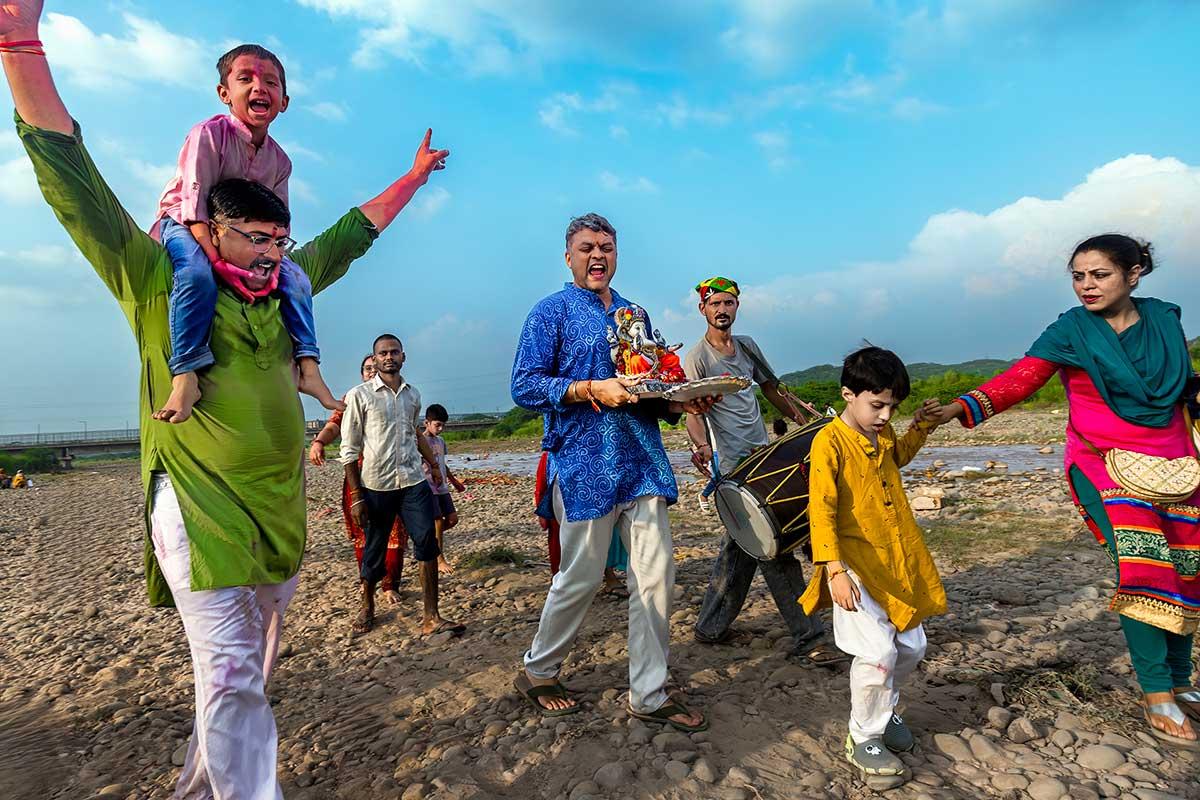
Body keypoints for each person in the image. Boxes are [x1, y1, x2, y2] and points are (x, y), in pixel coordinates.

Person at [0, 3, 451, 794]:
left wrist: (412, 179)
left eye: (281, 241)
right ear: (208, 228)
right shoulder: (160, 279)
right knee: (234, 673)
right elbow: (73, 181)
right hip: (199, 507)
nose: (273, 254)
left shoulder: (281, 288)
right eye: (256, 238)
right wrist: (19, 42)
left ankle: (198, 789)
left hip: (276, 516)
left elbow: (349, 235)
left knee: (243, 680)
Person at [930, 234, 1200, 749]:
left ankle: (1182, 682)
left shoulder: (1165, 319)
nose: (1087, 285)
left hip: (1178, 461)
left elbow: (1181, 385)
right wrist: (960, 407)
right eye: (1078, 276)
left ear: (1134, 273)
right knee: (1143, 566)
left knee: (1187, 568)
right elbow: (1023, 378)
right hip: (1103, 462)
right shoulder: (1071, 329)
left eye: (1099, 274)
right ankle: (1156, 692)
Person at [510, 212, 718, 731]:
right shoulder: (549, 313)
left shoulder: (636, 317)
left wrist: (683, 404)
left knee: (656, 579)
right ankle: (538, 670)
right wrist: (587, 388)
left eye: (606, 246)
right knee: (579, 579)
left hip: (643, 462)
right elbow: (524, 386)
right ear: (569, 256)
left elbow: (649, 392)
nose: (597, 255)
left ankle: (648, 693)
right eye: (586, 248)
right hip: (583, 467)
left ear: (617, 254)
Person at [150, 43, 341, 424]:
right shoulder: (208, 134)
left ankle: (309, 368)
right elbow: (194, 206)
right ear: (225, 93)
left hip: (250, 240)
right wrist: (220, 261)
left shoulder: (280, 161)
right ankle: (185, 372)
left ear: (283, 101)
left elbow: (280, 223)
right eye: (246, 79)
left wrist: (271, 256)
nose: (259, 87)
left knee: (297, 280)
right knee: (195, 274)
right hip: (189, 223)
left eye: (270, 82)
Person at [798, 347, 947, 782]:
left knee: (913, 647)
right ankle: (863, 735)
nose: (884, 415)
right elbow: (820, 508)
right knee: (878, 652)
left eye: (892, 407)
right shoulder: (829, 442)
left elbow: (897, 456)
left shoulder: (880, 436)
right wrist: (834, 570)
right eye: (876, 405)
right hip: (855, 566)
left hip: (897, 560)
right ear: (849, 394)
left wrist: (919, 426)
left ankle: (885, 710)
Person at [683, 276, 844, 667]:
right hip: (736, 466)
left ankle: (710, 626)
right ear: (702, 309)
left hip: (764, 456)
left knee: (743, 546)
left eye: (729, 303)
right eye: (715, 304)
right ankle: (810, 637)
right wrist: (701, 445)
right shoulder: (698, 357)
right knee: (772, 546)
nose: (722, 310)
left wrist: (803, 418)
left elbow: (771, 388)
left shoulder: (748, 347)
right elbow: (691, 408)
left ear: (737, 307)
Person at [340, 335, 465, 637]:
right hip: (376, 485)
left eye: (394, 352)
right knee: (374, 548)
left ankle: (431, 616)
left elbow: (413, 433)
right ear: (375, 358)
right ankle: (367, 605)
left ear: (403, 357)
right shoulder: (360, 396)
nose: (388, 357)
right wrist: (356, 495)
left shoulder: (413, 396)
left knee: (427, 543)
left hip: (412, 482)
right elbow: (348, 448)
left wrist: (434, 466)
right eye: (383, 353)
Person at [310, 353, 409, 604]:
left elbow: (412, 432)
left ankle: (389, 585)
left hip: (392, 476)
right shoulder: (352, 398)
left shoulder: (398, 398)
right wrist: (319, 441)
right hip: (359, 477)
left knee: (395, 531)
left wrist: (430, 463)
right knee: (363, 531)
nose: (372, 373)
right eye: (367, 369)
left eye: (374, 369)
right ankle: (367, 582)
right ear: (362, 373)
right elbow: (334, 425)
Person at [535, 449, 630, 597]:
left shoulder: (597, 448)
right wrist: (541, 509)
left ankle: (609, 578)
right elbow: (542, 483)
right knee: (562, 548)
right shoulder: (550, 454)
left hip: (592, 503)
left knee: (601, 542)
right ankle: (562, 586)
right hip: (561, 506)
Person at [421, 403, 466, 574]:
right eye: (437, 425)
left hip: (442, 487)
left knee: (452, 519)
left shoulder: (440, 441)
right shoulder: (420, 441)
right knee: (438, 520)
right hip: (428, 486)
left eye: (442, 425)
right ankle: (439, 559)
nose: (440, 429)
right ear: (427, 423)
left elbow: (442, 464)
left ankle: (427, 539)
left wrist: (454, 481)